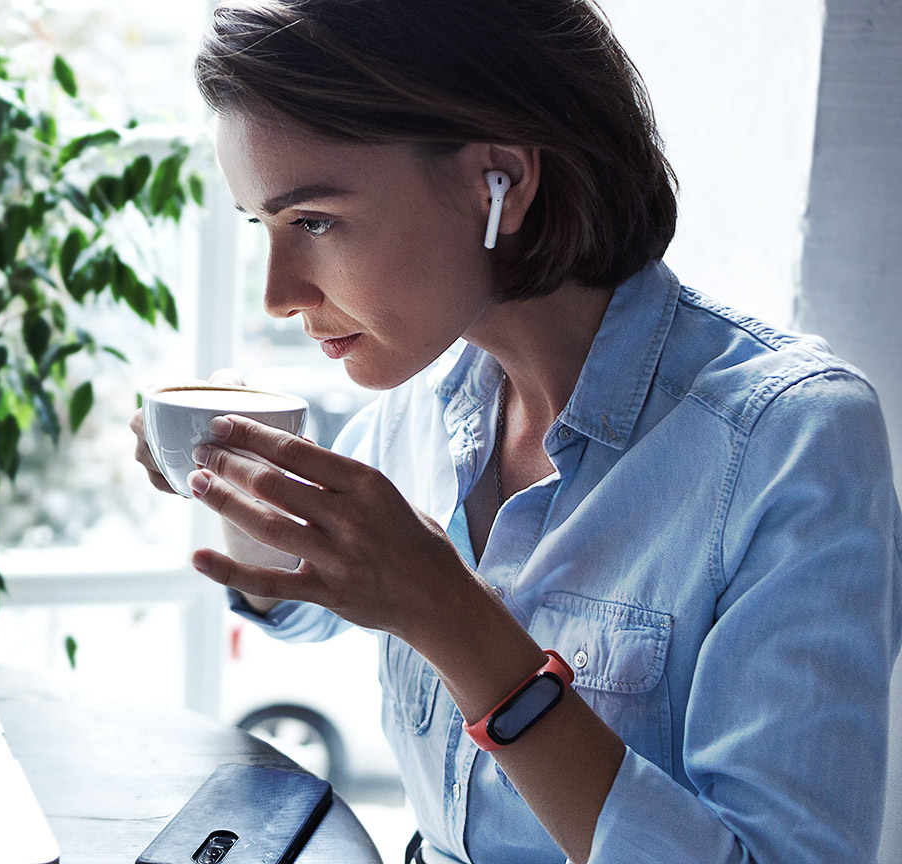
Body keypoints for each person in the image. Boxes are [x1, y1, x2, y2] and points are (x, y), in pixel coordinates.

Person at [128, 1, 902, 862]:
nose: (276, 293)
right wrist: (238, 483)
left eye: (313, 220)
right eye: (261, 225)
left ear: (500, 181)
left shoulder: (787, 441)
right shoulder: (420, 411)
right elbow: (307, 607)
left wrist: (456, 620)